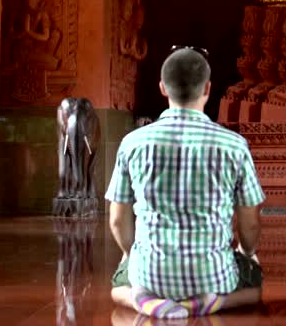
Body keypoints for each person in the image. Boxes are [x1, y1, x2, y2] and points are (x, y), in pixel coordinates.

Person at [105, 46, 265, 320]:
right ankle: (202, 304)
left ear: (162, 89)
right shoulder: (234, 145)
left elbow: (118, 221)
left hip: (151, 274)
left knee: (118, 287)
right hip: (214, 277)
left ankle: (146, 301)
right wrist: (247, 254)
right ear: (208, 89)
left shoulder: (133, 143)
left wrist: (131, 255)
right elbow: (249, 223)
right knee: (255, 289)